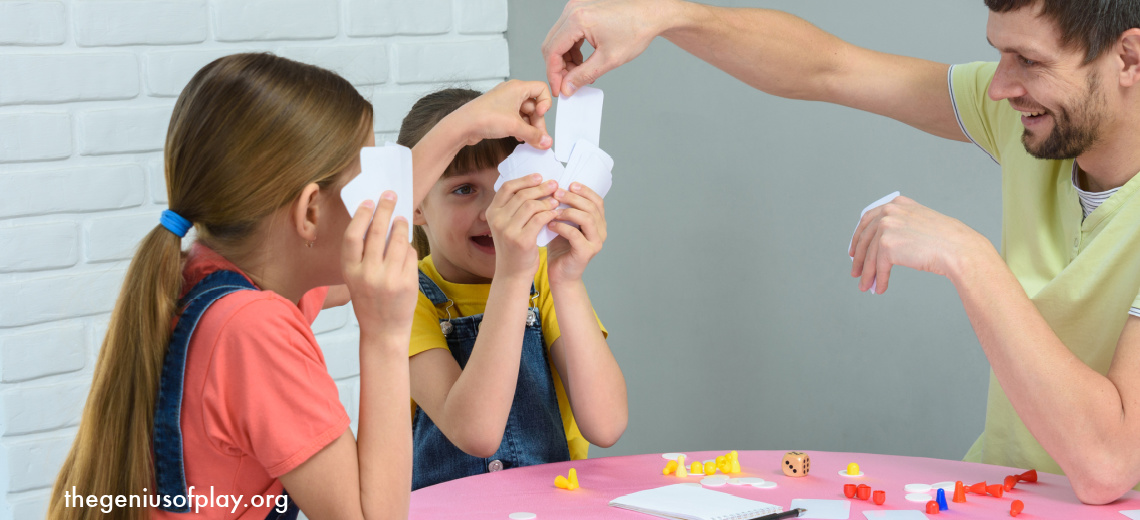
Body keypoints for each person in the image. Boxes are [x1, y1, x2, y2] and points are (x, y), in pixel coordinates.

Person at [542, 0, 1140, 504]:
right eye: (1001, 53)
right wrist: (663, 15)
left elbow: (1107, 466)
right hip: (1003, 494)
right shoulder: (1021, 114)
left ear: (1129, 57)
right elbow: (829, 68)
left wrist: (970, 257)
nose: (1003, 84)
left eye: (1030, 61)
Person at [48, 53, 554, 520]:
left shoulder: (210, 278)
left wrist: (466, 125)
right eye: (363, 187)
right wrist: (383, 337)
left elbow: (385, 221)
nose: (379, 206)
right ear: (311, 210)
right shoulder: (256, 330)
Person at [395, 89, 628, 489]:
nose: (494, 210)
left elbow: (605, 426)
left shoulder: (544, 278)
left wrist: (566, 279)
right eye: (464, 189)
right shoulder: (404, 295)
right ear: (416, 205)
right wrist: (512, 276)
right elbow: (477, 434)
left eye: (510, 183)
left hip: (550, 504)